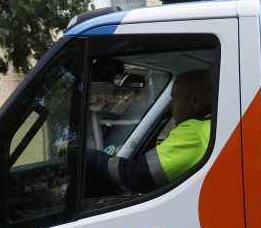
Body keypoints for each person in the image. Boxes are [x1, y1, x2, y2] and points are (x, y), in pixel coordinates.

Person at [86, 70, 214, 194]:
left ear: (195, 100)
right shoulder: (211, 126)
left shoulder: (194, 131)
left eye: (174, 98)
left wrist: (90, 157)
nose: (171, 107)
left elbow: (138, 176)